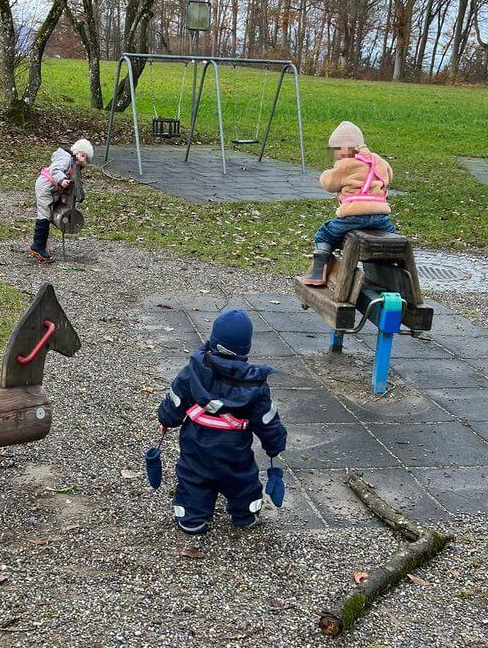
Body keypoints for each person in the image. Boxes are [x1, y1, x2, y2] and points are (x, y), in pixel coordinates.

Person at [157, 308, 287, 535]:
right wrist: (275, 445)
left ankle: (191, 517)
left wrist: (166, 419)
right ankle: (245, 513)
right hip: (234, 452)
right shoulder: (255, 384)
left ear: (213, 340)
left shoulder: (193, 372)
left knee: (193, 480)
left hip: (196, 448)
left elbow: (175, 401)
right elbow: (267, 420)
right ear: (245, 348)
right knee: (242, 480)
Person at [301, 120, 396, 286]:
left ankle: (317, 272)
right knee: (393, 237)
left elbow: (330, 183)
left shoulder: (346, 163)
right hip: (381, 216)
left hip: (353, 215)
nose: (335, 155)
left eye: (336, 151)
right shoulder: (379, 161)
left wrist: (325, 174)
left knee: (325, 234)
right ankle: (389, 268)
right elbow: (389, 177)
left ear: (344, 149)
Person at [30, 138, 94, 264]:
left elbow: (76, 182)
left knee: (51, 213)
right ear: (80, 154)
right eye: (85, 158)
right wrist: (62, 180)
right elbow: (55, 170)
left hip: (53, 190)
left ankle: (43, 241)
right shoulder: (66, 158)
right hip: (45, 187)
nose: (85, 163)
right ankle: (37, 245)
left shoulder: (73, 164)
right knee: (45, 215)